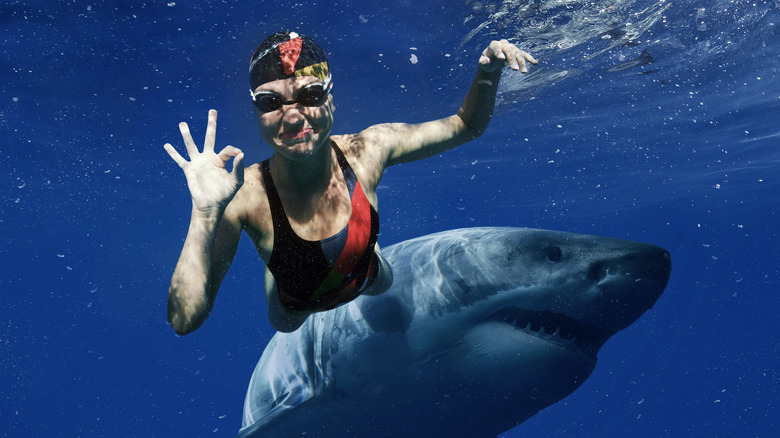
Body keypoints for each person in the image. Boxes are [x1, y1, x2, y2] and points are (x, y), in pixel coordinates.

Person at [164, 31, 537, 334]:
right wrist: (204, 213)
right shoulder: (243, 196)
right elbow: (184, 320)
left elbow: (465, 126)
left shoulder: (368, 150)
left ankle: (356, 254)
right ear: (256, 113)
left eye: (310, 95)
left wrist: (488, 72)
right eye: (270, 101)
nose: (292, 117)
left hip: (367, 274)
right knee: (286, 326)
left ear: (331, 100)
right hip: (292, 305)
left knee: (383, 280)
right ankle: (278, 266)